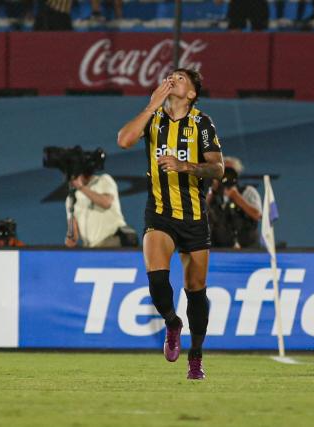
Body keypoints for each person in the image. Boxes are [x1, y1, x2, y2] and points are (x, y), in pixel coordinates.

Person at [117, 68, 224, 380]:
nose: (172, 79)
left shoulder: (202, 122)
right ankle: (171, 322)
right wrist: (151, 105)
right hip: (160, 213)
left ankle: (196, 357)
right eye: (170, 76)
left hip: (193, 216)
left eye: (181, 78)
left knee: (195, 290)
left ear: (191, 93)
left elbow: (217, 168)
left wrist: (184, 166)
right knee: (157, 280)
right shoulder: (154, 118)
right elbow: (124, 140)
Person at [64, 167, 127, 248]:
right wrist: (70, 239)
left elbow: (106, 202)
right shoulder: (70, 199)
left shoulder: (103, 180)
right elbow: (73, 233)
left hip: (112, 241)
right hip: (92, 250)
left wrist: (81, 187)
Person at [207, 156, 262, 248]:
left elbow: (257, 215)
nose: (227, 175)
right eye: (224, 171)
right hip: (218, 249)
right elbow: (199, 214)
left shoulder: (248, 191)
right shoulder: (212, 193)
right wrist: (212, 191)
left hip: (247, 248)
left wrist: (237, 197)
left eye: (230, 172)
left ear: (237, 173)